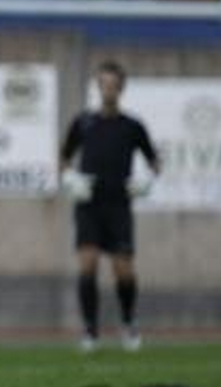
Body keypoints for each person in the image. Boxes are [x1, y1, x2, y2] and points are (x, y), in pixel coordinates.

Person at [58, 59, 161, 353]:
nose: (108, 90)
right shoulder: (83, 123)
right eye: (103, 84)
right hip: (89, 206)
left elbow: (155, 161)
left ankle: (128, 324)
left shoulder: (132, 127)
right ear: (97, 86)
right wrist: (69, 178)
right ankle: (90, 331)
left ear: (121, 88)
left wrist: (146, 181)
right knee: (87, 263)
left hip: (118, 207)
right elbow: (64, 157)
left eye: (113, 85)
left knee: (123, 270)